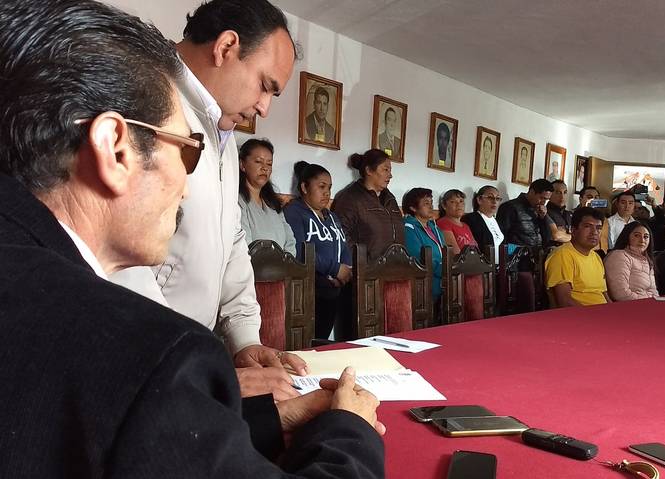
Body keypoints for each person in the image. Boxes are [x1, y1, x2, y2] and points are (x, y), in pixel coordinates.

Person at [0, 1, 385, 477]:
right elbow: (136, 396)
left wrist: (255, 397)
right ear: (114, 148)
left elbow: (135, 434)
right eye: (185, 151)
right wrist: (351, 428)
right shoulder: (136, 348)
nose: (186, 190)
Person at [110, 0, 307, 401]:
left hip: (183, 363)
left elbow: (231, 238)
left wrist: (245, 339)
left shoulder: (224, 137)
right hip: (138, 368)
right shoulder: (142, 95)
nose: (265, 108)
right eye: (265, 85)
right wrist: (186, 369)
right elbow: (115, 251)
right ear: (226, 47)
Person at [331, 148, 404, 339]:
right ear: (369, 170)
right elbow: (341, 235)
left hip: (392, 277)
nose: (390, 175)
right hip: (363, 277)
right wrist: (361, 263)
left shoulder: (389, 198)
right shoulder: (350, 197)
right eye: (385, 169)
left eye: (390, 170)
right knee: (361, 335)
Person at [283, 162, 351, 339]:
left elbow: (343, 245)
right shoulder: (294, 212)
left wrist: (345, 270)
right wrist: (335, 269)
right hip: (309, 292)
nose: (327, 193)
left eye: (329, 188)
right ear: (304, 187)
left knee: (322, 340)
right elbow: (299, 250)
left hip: (334, 291)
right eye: (321, 187)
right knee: (308, 342)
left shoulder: (331, 216)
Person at [238, 138, 296, 255]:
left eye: (269, 163)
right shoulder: (238, 201)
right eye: (258, 161)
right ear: (242, 165)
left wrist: (286, 263)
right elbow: (243, 245)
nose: (265, 168)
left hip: (282, 266)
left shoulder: (273, 203)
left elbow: (290, 240)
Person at [545, 207, 610, 307]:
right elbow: (564, 301)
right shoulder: (562, 255)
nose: (594, 232)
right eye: (588, 226)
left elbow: (603, 294)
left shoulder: (596, 257)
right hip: (580, 314)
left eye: (598, 228)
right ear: (573, 230)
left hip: (603, 313)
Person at [402, 188, 446, 304]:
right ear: (413, 207)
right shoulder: (408, 228)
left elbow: (445, 252)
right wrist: (446, 270)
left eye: (431, 202)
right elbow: (419, 258)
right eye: (426, 203)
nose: (431, 206)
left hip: (444, 284)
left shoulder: (434, 228)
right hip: (425, 288)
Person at [604, 222, 658, 301]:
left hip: (647, 303)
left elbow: (653, 291)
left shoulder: (647, 259)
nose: (642, 240)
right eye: (637, 235)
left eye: (646, 237)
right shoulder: (619, 256)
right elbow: (620, 294)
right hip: (629, 305)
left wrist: (655, 302)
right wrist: (647, 302)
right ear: (627, 237)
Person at [497, 178, 553, 247]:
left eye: (546, 200)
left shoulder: (539, 210)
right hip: (516, 252)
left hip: (537, 252)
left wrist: (543, 218)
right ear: (532, 192)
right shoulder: (509, 207)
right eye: (541, 198)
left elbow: (546, 239)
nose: (543, 202)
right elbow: (501, 238)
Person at [462, 185, 505, 263]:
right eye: (490, 197)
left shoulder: (498, 221)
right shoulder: (470, 219)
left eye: (497, 198)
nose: (494, 201)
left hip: (500, 266)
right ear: (479, 200)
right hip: (482, 265)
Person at [436, 189, 478, 255]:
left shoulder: (465, 225)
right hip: (460, 261)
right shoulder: (443, 223)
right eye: (453, 202)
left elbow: (476, 248)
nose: (459, 204)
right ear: (444, 206)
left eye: (461, 201)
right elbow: (455, 253)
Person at [546, 179, 572, 246]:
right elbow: (556, 236)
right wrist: (573, 237)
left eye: (565, 192)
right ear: (549, 195)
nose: (562, 196)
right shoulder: (545, 213)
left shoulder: (569, 214)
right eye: (558, 192)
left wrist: (566, 236)